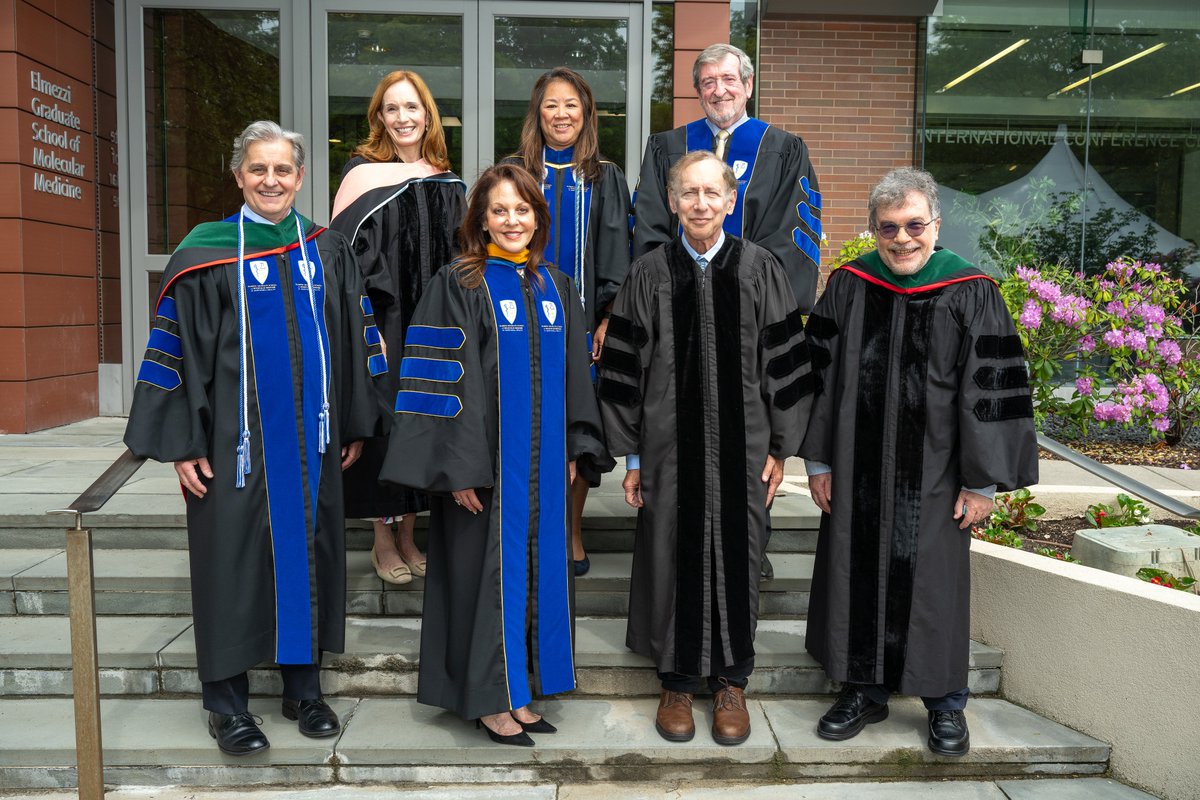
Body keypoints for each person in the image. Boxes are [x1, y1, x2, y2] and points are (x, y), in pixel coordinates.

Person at [124, 121, 382, 756]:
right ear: (238, 176)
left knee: (309, 557)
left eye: (284, 170)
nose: (272, 180)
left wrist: (349, 420)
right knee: (229, 565)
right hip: (230, 444)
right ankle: (226, 703)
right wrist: (183, 441)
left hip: (309, 441)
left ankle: (303, 687)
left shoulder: (324, 248)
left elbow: (357, 333)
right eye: (258, 169)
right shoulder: (205, 252)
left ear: (299, 177)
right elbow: (173, 350)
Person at [800, 167, 1038, 757]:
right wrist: (819, 461)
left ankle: (945, 703)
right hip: (855, 469)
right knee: (853, 575)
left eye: (914, 225)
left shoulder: (971, 290)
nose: (902, 239)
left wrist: (982, 481)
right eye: (888, 229)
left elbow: (992, 392)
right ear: (873, 232)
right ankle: (862, 689)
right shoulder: (850, 284)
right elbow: (818, 379)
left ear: (936, 223)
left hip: (937, 474)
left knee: (933, 584)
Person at [378, 163, 611, 746]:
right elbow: (439, 381)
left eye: (523, 209)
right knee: (484, 581)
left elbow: (577, 376)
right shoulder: (459, 283)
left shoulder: (555, 285)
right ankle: (487, 699)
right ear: (481, 217)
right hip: (483, 471)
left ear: (539, 216)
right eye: (500, 210)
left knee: (535, 573)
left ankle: (523, 689)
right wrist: (459, 467)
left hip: (541, 470)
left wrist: (576, 446)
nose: (512, 220)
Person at [597, 150, 813, 746]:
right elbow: (624, 371)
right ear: (671, 202)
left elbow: (785, 366)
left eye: (711, 193)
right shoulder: (648, 273)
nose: (699, 204)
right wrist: (634, 457)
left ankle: (731, 680)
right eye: (688, 193)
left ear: (730, 200)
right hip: (668, 450)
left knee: (741, 552)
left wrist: (780, 447)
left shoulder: (760, 268)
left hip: (744, 450)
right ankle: (676, 679)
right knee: (670, 550)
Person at [331, 70, 467, 586]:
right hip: (381, 324)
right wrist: (366, 326)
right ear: (379, 118)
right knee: (384, 425)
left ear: (427, 114)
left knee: (420, 422)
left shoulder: (447, 179)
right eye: (392, 109)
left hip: (432, 325)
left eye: (413, 107)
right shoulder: (361, 176)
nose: (403, 118)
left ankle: (410, 532)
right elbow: (343, 264)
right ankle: (381, 538)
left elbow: (461, 257)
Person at [506, 66, 632, 576]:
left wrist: (608, 318)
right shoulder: (514, 172)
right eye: (552, 105)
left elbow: (616, 254)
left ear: (586, 114)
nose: (562, 114)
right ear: (538, 112)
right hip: (518, 326)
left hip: (580, 334)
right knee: (521, 428)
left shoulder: (604, 175)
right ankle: (523, 531)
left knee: (579, 430)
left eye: (571, 105)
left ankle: (571, 529)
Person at [632, 43, 822, 314]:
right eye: (708, 82)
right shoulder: (665, 148)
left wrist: (745, 289)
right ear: (699, 93)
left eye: (729, 79)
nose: (719, 91)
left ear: (748, 85)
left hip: (753, 309)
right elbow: (649, 226)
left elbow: (787, 234)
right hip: (675, 305)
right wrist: (671, 289)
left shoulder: (785, 151)